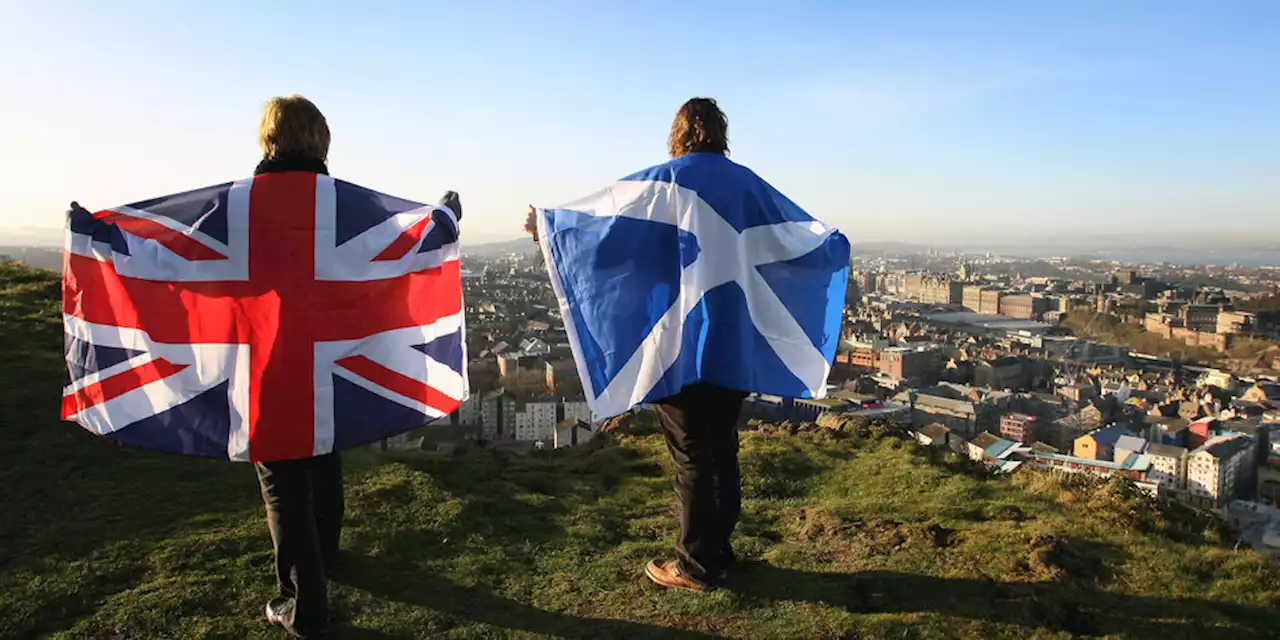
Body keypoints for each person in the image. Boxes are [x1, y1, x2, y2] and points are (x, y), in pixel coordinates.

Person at [253, 95, 461, 636]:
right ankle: (329, 557)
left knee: (283, 482)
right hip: (332, 362)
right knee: (323, 457)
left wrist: (99, 236)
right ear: (320, 141)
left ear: (268, 140)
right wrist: (441, 220)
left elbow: (175, 253)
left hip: (270, 365)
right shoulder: (341, 207)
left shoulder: (241, 208)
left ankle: (306, 607)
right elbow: (396, 245)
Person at [523, 98, 748, 592]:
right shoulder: (745, 185)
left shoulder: (663, 185)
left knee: (692, 454)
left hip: (680, 344)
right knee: (722, 448)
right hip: (732, 342)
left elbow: (609, 238)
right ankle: (720, 550)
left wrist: (549, 230)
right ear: (720, 133)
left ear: (680, 134)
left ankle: (695, 566)